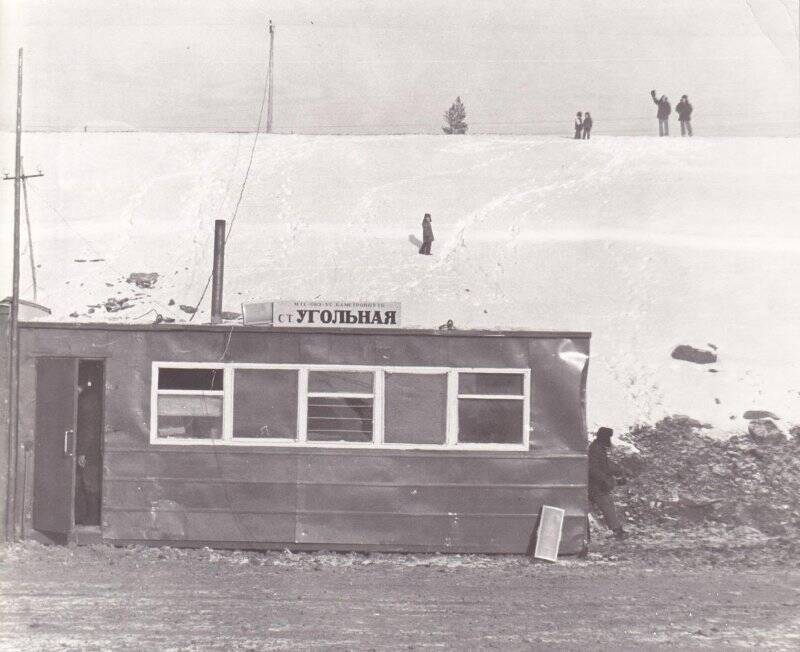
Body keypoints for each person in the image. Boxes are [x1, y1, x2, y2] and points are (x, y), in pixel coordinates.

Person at [588, 426, 626, 539]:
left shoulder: (598, 447)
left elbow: (606, 465)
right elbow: (594, 469)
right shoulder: (595, 450)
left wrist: (619, 470)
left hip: (596, 484)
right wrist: (606, 481)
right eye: (608, 437)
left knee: (607, 505)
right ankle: (617, 531)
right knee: (606, 504)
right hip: (595, 486)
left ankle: (617, 530)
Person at [75, 376, 103, 525]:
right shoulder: (91, 399)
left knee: (89, 483)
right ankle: (89, 517)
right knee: (88, 482)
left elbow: (88, 430)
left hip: (89, 451)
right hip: (92, 449)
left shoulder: (87, 402)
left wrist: (82, 452)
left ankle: (92, 519)